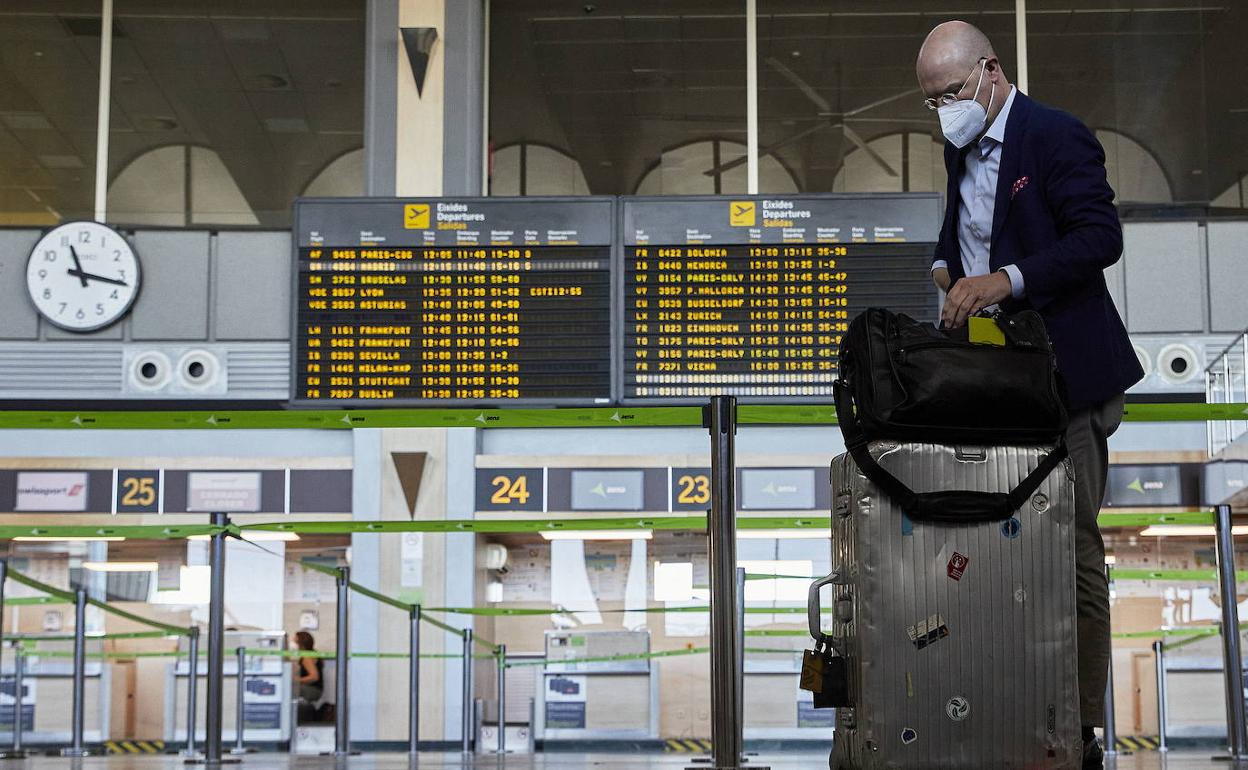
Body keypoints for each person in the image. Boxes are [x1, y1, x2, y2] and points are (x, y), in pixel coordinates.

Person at [915, 20, 1143, 769]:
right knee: (995, 555)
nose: (944, 110)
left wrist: (1003, 281)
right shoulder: (960, 148)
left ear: (991, 70)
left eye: (951, 92)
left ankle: (1078, 729)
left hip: (1069, 381)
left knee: (1073, 556)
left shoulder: (1054, 135)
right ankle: (1004, 705)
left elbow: (1098, 237)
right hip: (1000, 382)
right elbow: (959, 236)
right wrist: (950, 272)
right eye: (932, 102)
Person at [292, 631, 325, 722]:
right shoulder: (311, 653)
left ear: (300, 643)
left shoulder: (306, 656)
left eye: (294, 641)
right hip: (316, 689)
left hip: (313, 690)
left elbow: (314, 677)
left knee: (288, 689)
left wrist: (296, 680)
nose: (292, 643)